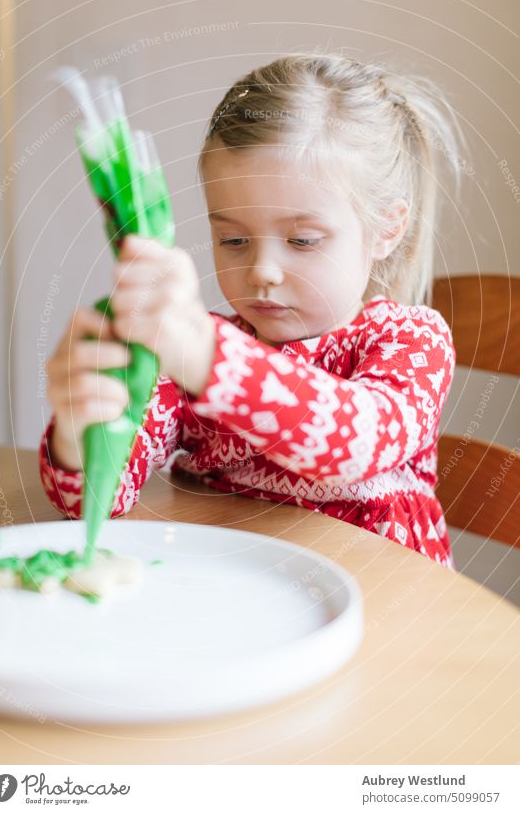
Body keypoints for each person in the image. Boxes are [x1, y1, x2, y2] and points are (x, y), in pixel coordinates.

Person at [40, 52, 466, 569]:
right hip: (239, 601)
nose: (263, 268)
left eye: (303, 240)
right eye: (233, 238)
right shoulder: (191, 361)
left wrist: (206, 356)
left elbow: (354, 444)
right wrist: (81, 426)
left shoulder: (409, 341)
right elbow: (95, 503)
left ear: (386, 229)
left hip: (385, 614)